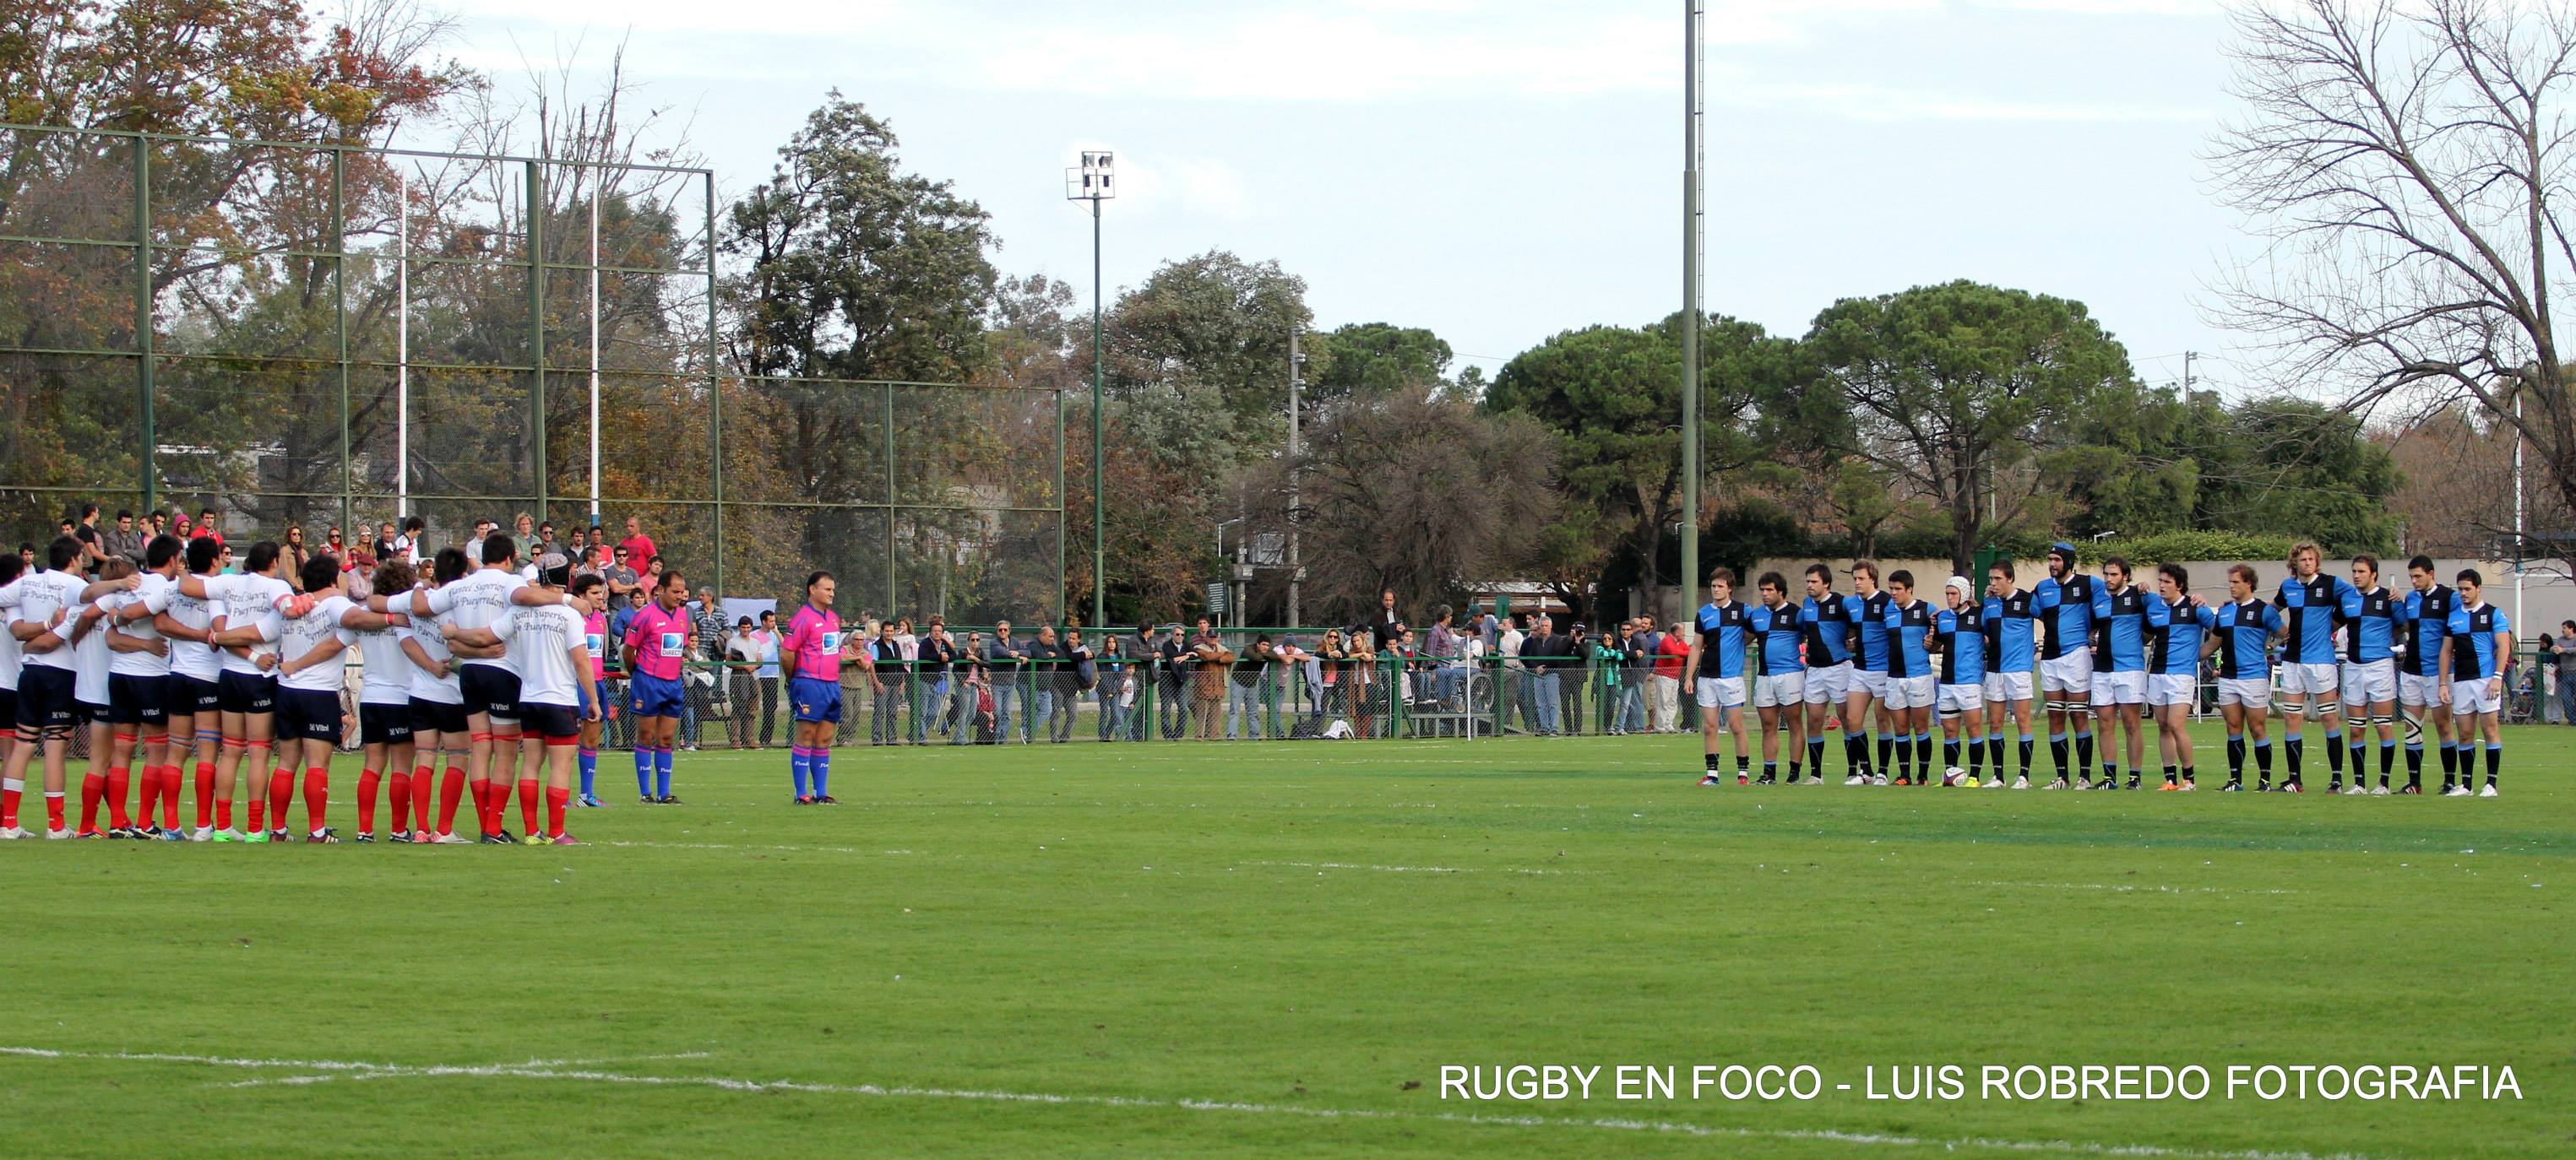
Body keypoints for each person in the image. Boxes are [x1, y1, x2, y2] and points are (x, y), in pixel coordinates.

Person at [369, 534, 565, 839]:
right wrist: (567, 599)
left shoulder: (457, 588)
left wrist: (417, 590)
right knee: (501, 753)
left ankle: (440, 827)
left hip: (461, 677)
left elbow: (410, 607)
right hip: (495, 674)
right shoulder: (508, 582)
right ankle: (488, 828)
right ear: (511, 557)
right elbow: (526, 599)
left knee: (475, 749)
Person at [445, 564, 600, 844]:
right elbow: (580, 660)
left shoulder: (519, 612)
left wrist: (455, 633)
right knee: (560, 767)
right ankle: (557, 832)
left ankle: (531, 832)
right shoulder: (570, 614)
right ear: (566, 580)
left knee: (530, 764)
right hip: (559, 699)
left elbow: (484, 636)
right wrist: (594, 700)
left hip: (528, 699)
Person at [98, 536, 186, 837]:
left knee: (122, 749)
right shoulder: (167, 588)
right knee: (156, 750)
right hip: (151, 677)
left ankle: (117, 822)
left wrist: (115, 616)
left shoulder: (129, 583)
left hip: (119, 675)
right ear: (173, 559)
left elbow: (104, 626)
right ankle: (145, 823)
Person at [152, 537, 228, 837]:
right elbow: (222, 632)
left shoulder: (173, 588)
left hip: (177, 676)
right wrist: (202, 635)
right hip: (207, 677)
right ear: (214, 561)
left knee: (176, 753)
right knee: (207, 753)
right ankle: (203, 826)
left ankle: (171, 826)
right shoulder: (218, 590)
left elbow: (159, 623)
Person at [2272, 541, 2359, 793]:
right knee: (2291, 717)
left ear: (2317, 561)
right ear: (2294, 563)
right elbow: (2270, 611)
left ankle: (2336, 780)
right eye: (2303, 559)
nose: (2307, 563)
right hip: (2292, 661)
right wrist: (2280, 630)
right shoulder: (2288, 587)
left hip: (2321, 661)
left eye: (2311, 559)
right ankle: (2294, 780)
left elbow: (2358, 596)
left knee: (2329, 717)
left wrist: (2333, 626)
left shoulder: (2332, 584)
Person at [401, 548, 474, 842]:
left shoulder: (417, 601)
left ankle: (421, 828)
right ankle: (443, 830)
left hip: (420, 693)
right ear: (463, 574)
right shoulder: (461, 606)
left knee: (424, 760)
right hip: (453, 694)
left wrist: (429, 666)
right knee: (457, 759)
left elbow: (406, 639)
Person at [346, 556, 421, 839]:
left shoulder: (365, 613)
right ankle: (399, 830)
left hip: (371, 697)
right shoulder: (409, 615)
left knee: (372, 765)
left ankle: (364, 830)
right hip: (400, 697)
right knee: (401, 767)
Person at [782, 572, 861, 800]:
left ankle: (821, 792)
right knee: (806, 735)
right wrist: (794, 678)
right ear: (812, 590)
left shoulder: (833, 619)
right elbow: (787, 653)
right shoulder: (803, 618)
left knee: (825, 738)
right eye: (827, 589)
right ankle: (801, 793)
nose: (832, 593)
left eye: (833, 589)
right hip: (809, 683)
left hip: (832, 684)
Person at [2208, 564, 2285, 791]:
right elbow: (2212, 644)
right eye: (2230, 582)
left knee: (2257, 728)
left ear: (2249, 583)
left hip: (2254, 677)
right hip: (2228, 678)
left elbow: (2285, 633)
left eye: (2236, 582)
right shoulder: (2224, 612)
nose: (2231, 586)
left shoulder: (2264, 611)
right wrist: (2188, 658)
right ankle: (2235, 780)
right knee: (2233, 727)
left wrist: (2272, 646)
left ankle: (2265, 781)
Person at [622, 569, 694, 804]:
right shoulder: (645, 615)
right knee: (645, 736)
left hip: (673, 683)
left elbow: (680, 648)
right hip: (648, 682)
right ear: (661, 590)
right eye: (675, 591)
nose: (680, 596)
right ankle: (645, 793)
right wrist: (638, 674)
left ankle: (664, 793)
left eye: (682, 592)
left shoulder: (682, 615)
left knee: (666, 738)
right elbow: (629, 650)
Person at [2031, 542, 2100, 790]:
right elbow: (2027, 608)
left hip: (2076, 656)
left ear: (2069, 562)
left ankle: (2085, 778)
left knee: (2079, 714)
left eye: (2057, 560)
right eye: (2050, 559)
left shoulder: (2089, 584)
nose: (2052, 564)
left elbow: (2112, 599)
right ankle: (2062, 777)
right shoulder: (2042, 588)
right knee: (2055, 716)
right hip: (2050, 658)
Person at [2337, 556, 2403, 793]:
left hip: (2380, 667)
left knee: (2383, 726)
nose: (2356, 576)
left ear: (2373, 574)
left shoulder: (2388, 598)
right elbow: (2332, 624)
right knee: (2356, 728)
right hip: (2354, 667)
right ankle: (2359, 783)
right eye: (2354, 571)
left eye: (2361, 571)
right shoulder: (2347, 598)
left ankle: (2384, 783)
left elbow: (2405, 625)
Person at [2146, 563, 2213, 791]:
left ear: (2180, 585)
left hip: (2182, 674)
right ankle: (2170, 780)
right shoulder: (2154, 606)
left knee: (2176, 724)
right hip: (2157, 673)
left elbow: (2220, 631)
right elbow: (2146, 634)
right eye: (2160, 581)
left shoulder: (2196, 607)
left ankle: (2189, 779)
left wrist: (2202, 653)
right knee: (2163, 726)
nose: (2162, 585)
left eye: (2167, 582)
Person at [1683, 569, 1752, 785]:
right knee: (1709, 727)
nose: (1716, 589)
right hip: (1707, 678)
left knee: (1736, 726)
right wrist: (1689, 677)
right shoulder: (1704, 613)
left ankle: (1743, 774)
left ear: (1730, 588)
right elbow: (1696, 646)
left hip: (1732, 678)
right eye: (1713, 586)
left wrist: (1742, 642)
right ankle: (1712, 775)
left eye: (1720, 586)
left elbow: (1753, 633)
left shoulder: (1743, 610)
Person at [2443, 570, 2508, 796]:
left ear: (2478, 588)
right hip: (2461, 681)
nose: (2463, 593)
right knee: (2465, 733)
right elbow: (2446, 651)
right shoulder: (2453, 617)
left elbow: (2504, 646)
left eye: (2467, 589)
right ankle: (2467, 785)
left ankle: (2491, 784)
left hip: (2486, 680)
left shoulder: (2493, 613)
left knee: (2490, 730)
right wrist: (2443, 683)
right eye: (2460, 589)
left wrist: (2497, 677)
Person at [2088, 556, 2150, 790]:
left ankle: (2134, 777)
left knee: (2131, 723)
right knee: (2104, 723)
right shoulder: (2099, 599)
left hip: (2130, 669)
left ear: (2126, 576)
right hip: (2102, 669)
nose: (2108, 578)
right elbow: (2091, 627)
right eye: (2106, 574)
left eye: (2114, 574)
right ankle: (2109, 777)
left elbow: (2155, 623)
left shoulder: (2139, 596)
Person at [2398, 556, 2456, 795]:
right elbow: (2406, 627)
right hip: (2411, 671)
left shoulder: (2449, 597)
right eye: (2411, 576)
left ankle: (2450, 781)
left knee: (2443, 726)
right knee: (2412, 727)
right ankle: (2415, 783)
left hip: (2438, 673)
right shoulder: (2411, 599)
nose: (2414, 581)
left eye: (2418, 576)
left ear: (2431, 574)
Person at [1877, 570, 1937, 785]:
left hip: (1919, 676)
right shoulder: (1887, 611)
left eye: (1898, 589)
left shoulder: (1927, 609)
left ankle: (1923, 776)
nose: (1893, 593)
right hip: (1894, 677)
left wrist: (1933, 642)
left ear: (1910, 589)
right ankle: (1905, 775)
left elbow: (1940, 637)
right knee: (1901, 729)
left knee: (1921, 727)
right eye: (1891, 589)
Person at [1799, 564, 1858, 783]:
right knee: (1814, 721)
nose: (1809, 585)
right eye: (1808, 581)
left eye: (1814, 582)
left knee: (1847, 719)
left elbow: (1859, 625)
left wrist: (1855, 640)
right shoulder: (1806, 604)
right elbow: (1800, 629)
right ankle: (1816, 774)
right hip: (1815, 670)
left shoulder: (1842, 603)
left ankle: (1853, 772)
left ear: (1826, 583)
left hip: (1839, 667)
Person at [1982, 561, 2038, 789]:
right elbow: (1985, 633)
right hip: (1995, 669)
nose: (1993, 583)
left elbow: (2050, 618)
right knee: (1995, 722)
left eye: (1998, 579)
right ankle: (1998, 776)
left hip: (2019, 670)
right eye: (1991, 579)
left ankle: (2024, 777)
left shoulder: (2028, 600)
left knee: (2023, 720)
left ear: (2010, 579)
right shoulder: (1989, 603)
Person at [1932, 575, 1986, 788]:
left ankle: (1974, 777)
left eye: (1953, 593)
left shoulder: (1979, 615)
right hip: (1947, 682)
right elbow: (1935, 645)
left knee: (1973, 728)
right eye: (1947, 593)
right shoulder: (1942, 618)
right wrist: (1929, 642)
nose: (1949, 597)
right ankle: (1950, 775)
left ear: (1964, 594)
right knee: (1949, 731)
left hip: (1970, 681)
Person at [913, 619, 952, 744]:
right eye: (935, 631)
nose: (937, 633)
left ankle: (913, 733)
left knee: (934, 712)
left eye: (939, 631)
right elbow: (923, 656)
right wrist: (939, 657)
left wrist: (947, 656)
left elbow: (953, 655)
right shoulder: (925, 643)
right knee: (922, 712)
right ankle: (921, 738)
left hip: (939, 682)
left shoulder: (944, 644)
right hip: (925, 680)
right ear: (930, 632)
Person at [869, 619, 907, 746]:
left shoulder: (896, 645)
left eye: (891, 631)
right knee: (879, 712)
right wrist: (876, 682)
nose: (889, 633)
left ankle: (892, 739)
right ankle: (877, 739)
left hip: (896, 683)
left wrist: (902, 682)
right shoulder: (877, 646)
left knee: (892, 712)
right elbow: (872, 665)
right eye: (887, 631)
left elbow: (900, 665)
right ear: (882, 632)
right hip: (883, 683)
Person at [726, 616, 761, 749]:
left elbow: (759, 660)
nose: (746, 630)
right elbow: (729, 662)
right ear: (739, 628)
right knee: (738, 708)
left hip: (754, 678)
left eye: (748, 627)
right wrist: (744, 666)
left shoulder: (756, 642)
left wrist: (753, 666)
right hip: (739, 677)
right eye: (743, 627)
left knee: (752, 709)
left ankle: (749, 739)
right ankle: (735, 740)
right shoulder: (732, 642)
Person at [1227, 634, 1270, 740]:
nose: (1265, 647)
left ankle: (1254, 735)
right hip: (1238, 682)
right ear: (1258, 644)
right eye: (1263, 644)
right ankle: (1232, 735)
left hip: (1252, 685)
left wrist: (1266, 655)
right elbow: (1255, 657)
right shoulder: (1248, 649)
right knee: (1235, 710)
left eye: (1267, 645)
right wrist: (1266, 656)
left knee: (1253, 712)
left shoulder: (1268, 652)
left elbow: (1275, 656)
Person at [754, 610, 784, 746]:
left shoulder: (774, 635)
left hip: (772, 675)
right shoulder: (754, 635)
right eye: (770, 621)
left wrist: (776, 632)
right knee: (751, 705)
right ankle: (747, 736)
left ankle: (766, 738)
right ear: (763, 622)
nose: (773, 623)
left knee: (770, 706)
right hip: (758, 675)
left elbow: (785, 645)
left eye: (774, 621)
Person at [1057, 626, 1091, 743]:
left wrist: (1086, 654)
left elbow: (1092, 655)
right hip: (1058, 685)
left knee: (1073, 715)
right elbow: (1068, 656)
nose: (1070, 640)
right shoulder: (1063, 647)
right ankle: (1054, 737)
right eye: (1069, 638)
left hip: (1072, 688)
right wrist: (1083, 655)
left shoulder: (1082, 647)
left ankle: (1064, 737)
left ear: (1078, 640)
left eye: (1073, 638)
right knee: (1056, 713)